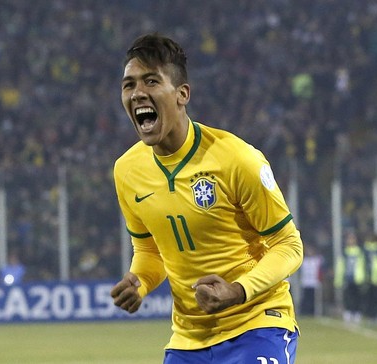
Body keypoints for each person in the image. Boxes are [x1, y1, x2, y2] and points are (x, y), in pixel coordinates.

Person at [109, 33, 304, 364]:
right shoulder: (127, 171)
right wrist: (139, 280)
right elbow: (149, 250)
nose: (138, 92)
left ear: (182, 94)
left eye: (151, 81)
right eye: (129, 85)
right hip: (188, 339)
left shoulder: (236, 159)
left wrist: (237, 290)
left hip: (257, 324)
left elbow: (289, 246)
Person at [333, 230, 366, 325]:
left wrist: (363, 277)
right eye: (349, 239)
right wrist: (338, 280)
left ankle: (357, 314)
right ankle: (348, 313)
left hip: (358, 278)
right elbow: (340, 266)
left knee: (357, 296)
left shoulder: (359, 252)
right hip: (347, 278)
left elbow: (362, 265)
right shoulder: (344, 252)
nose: (350, 241)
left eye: (352, 239)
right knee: (348, 296)